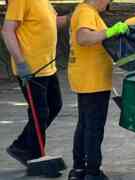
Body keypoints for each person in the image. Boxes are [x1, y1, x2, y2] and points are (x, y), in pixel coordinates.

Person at [67, 0, 130, 179]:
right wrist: (112, 30)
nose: (109, 2)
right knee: (93, 127)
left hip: (88, 77)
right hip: (91, 78)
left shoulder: (85, 11)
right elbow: (83, 38)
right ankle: (92, 172)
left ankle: (79, 169)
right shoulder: (86, 11)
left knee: (85, 125)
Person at [2, 0, 67, 172]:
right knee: (40, 112)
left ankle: (22, 146)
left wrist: (76, 15)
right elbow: (8, 31)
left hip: (47, 66)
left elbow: (52, 23)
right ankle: (36, 156)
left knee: (55, 105)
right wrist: (21, 63)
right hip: (31, 68)